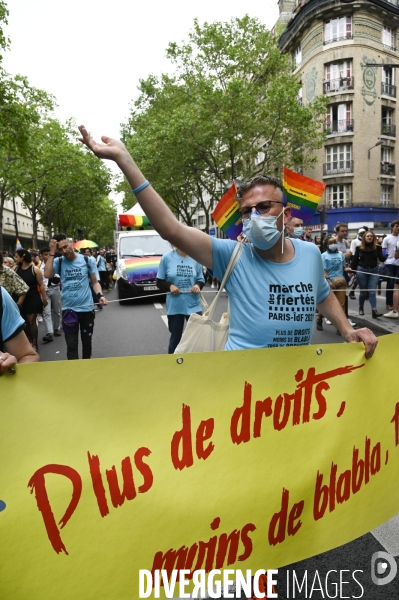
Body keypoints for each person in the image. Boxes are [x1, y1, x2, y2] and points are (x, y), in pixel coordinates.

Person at [78, 125, 377, 358]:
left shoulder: (311, 254)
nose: (254, 216)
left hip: (295, 384)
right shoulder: (232, 255)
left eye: (263, 207)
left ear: (286, 215)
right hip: (242, 385)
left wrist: (347, 329)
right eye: (247, 211)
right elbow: (171, 229)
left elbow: (322, 294)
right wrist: (125, 160)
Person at [44, 234, 107, 360]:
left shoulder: (87, 260)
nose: (64, 251)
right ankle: (75, 374)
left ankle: (86, 370)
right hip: (69, 310)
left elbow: (95, 282)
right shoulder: (59, 261)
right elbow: (47, 274)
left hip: (87, 309)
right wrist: (52, 252)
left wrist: (100, 295)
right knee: (71, 346)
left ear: (71, 243)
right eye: (60, 249)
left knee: (87, 343)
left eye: (66, 247)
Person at [156, 247, 205, 353]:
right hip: (175, 306)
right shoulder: (166, 258)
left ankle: (197, 364)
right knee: (176, 338)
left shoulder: (196, 258)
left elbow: (201, 279)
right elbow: (159, 281)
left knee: (197, 337)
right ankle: (173, 364)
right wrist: (170, 286)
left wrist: (197, 285)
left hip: (194, 305)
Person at [14, 249, 47, 352]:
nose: (15, 259)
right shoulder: (15, 269)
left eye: (16, 257)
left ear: (22, 257)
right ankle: (28, 341)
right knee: (23, 322)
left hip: (32, 297)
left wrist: (44, 299)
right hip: (19, 299)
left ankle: (34, 343)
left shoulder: (34, 270)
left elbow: (41, 285)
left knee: (31, 321)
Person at [0, 285, 39, 372]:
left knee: (31, 321)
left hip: (27, 302)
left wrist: (7, 364)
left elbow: (24, 287)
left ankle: (34, 342)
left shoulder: (1, 294)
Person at [350, 231, 385, 319]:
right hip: (362, 270)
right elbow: (355, 260)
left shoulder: (377, 247)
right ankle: (361, 308)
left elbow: (381, 258)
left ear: (373, 238)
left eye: (371, 236)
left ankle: (374, 310)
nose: (369, 237)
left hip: (374, 271)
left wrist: (388, 254)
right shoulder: (359, 248)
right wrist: (351, 270)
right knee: (363, 292)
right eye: (368, 236)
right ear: (364, 237)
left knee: (372, 291)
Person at [317, 236, 348, 333]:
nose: (333, 245)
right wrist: (328, 281)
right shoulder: (323, 256)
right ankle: (320, 319)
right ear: (326, 245)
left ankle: (340, 327)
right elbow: (324, 270)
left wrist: (347, 269)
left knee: (341, 304)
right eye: (330, 243)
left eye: (334, 242)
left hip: (341, 281)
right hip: (329, 283)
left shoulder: (340, 254)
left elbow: (343, 266)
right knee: (327, 305)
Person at [40, 247, 62, 342]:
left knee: (57, 310)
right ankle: (49, 333)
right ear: (41, 256)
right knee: (46, 312)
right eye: (45, 254)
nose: (48, 256)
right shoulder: (39, 268)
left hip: (55, 288)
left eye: (49, 254)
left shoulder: (56, 265)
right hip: (45, 290)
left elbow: (58, 278)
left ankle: (57, 328)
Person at [382, 219, 399, 312]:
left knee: (397, 285)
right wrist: (384, 257)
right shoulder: (387, 238)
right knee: (391, 283)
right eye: (396, 226)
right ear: (392, 227)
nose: (398, 228)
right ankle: (389, 303)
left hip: (398, 263)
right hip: (389, 263)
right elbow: (383, 250)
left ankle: (395, 303)